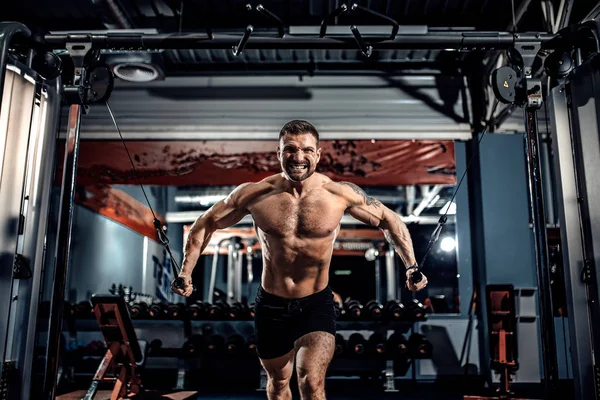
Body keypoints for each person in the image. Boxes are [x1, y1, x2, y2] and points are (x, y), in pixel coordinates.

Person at [172, 120, 428, 400]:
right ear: (279, 152)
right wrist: (186, 272)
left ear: (318, 154)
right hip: (271, 304)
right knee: (279, 382)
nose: (298, 157)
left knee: (311, 382)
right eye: (290, 149)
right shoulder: (254, 194)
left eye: (307, 149)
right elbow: (204, 223)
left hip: (315, 302)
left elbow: (390, 220)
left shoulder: (338, 194)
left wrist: (411, 265)